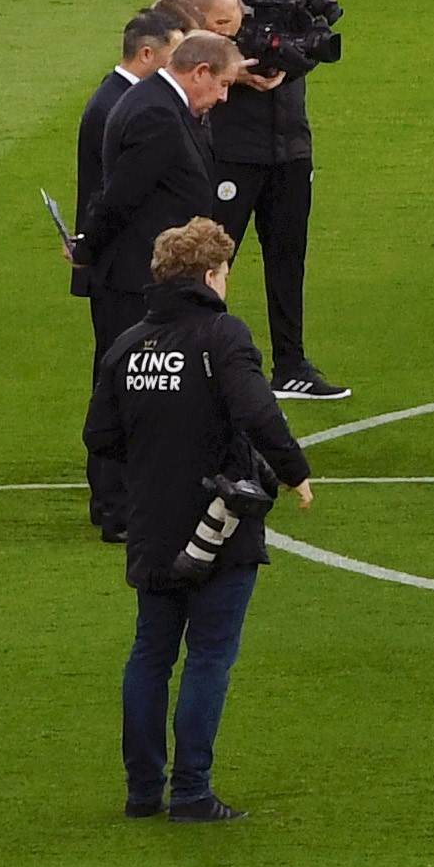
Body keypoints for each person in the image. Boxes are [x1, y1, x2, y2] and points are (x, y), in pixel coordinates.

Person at [87, 218, 312, 822]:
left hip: (152, 522)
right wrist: (294, 470)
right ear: (212, 276)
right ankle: (190, 791)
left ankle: (142, 791)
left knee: (150, 654)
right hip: (220, 522)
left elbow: (99, 435)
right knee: (209, 655)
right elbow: (259, 412)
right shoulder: (221, 334)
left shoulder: (128, 343)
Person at [168, 0, 341, 397]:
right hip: (229, 142)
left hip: (288, 140)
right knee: (212, 257)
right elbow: (174, 46)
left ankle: (291, 366)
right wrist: (233, 75)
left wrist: (290, 61)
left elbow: (307, 40)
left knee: (289, 256)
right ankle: (189, 360)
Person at [78, 27, 247, 466]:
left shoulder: (164, 104)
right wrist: (87, 250)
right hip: (137, 281)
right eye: (224, 84)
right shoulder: (156, 114)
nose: (224, 97)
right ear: (200, 72)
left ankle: (132, 496)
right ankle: (116, 505)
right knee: (130, 393)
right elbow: (119, 197)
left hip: (146, 278)